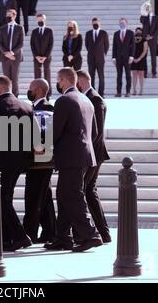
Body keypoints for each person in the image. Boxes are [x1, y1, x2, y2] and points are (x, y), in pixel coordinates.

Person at [44, 68, 102, 252]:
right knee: (64, 195)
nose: (57, 84)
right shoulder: (86, 100)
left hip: (71, 156)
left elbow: (55, 130)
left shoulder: (64, 100)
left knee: (72, 195)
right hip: (84, 155)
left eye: (58, 80)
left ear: (63, 80)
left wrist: (41, 144)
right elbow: (94, 132)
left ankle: (90, 235)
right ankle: (63, 237)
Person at [0, 76, 34, 251]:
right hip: (21, 160)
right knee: (6, 197)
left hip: (0, 160)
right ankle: (7, 237)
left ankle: (19, 236)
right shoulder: (27, 107)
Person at [76, 70, 111, 243]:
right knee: (88, 190)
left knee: (85, 189)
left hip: (94, 154)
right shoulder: (90, 98)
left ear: (81, 82)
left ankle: (100, 232)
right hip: (92, 153)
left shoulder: (95, 100)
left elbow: (96, 132)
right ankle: (103, 232)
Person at [23, 78, 56, 243]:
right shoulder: (43, 108)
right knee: (44, 196)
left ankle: (30, 232)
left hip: (40, 158)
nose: (28, 92)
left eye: (30, 89)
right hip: (42, 158)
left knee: (33, 196)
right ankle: (50, 231)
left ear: (36, 90)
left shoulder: (44, 109)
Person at [0, 9, 24, 97]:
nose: (8, 17)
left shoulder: (20, 28)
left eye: (10, 15)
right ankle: (7, 96)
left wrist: (12, 53)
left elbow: (21, 43)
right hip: (5, 57)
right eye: (7, 15)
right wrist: (6, 53)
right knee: (6, 79)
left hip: (15, 57)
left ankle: (15, 96)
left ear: (14, 16)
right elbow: (0, 43)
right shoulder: (2, 28)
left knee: (15, 78)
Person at [85, 17, 109, 96]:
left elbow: (107, 46)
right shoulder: (88, 33)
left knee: (101, 76)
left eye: (96, 23)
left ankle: (101, 93)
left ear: (99, 23)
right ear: (92, 24)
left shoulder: (103, 33)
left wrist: (102, 54)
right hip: (91, 58)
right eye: (94, 23)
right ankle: (92, 93)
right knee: (91, 76)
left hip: (100, 58)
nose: (95, 24)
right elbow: (87, 45)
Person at [30, 14, 54, 96]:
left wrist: (45, 56)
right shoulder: (34, 31)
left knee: (47, 76)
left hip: (46, 57)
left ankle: (48, 94)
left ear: (45, 20)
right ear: (36, 20)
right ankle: (37, 93)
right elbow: (32, 44)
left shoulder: (49, 31)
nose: (40, 21)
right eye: (39, 20)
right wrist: (36, 56)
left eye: (42, 20)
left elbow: (51, 44)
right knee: (37, 76)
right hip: (36, 57)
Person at [112, 18, 135, 97]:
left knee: (128, 75)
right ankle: (119, 92)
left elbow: (133, 46)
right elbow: (114, 46)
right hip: (118, 58)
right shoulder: (116, 33)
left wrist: (132, 56)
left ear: (126, 24)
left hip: (127, 58)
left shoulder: (130, 33)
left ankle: (128, 91)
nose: (122, 24)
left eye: (123, 23)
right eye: (121, 23)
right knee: (119, 75)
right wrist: (113, 57)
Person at [141, 6, 158, 78]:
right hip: (145, 39)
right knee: (144, 56)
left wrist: (152, 36)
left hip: (153, 39)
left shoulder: (156, 17)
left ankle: (154, 72)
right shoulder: (145, 17)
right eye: (147, 8)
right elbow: (141, 21)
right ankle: (145, 72)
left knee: (153, 56)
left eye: (149, 8)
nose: (148, 9)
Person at [131, 27, 148, 95]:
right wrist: (133, 58)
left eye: (139, 32)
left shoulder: (144, 40)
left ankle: (141, 90)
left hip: (142, 59)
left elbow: (145, 51)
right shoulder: (132, 39)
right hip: (133, 58)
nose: (138, 33)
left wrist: (139, 58)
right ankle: (134, 90)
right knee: (134, 74)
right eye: (137, 32)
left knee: (141, 74)